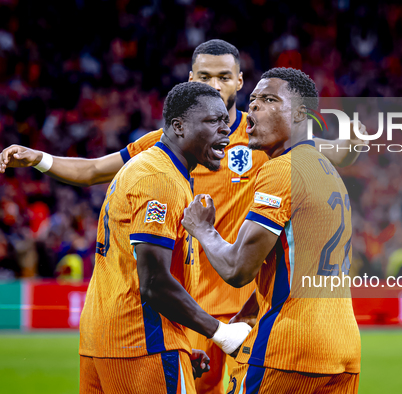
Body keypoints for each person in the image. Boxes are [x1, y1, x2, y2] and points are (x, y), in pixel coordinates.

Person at [0, 39, 365, 394]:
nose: (215, 85)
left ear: (240, 81)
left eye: (224, 77)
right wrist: (41, 159)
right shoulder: (171, 139)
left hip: (245, 305)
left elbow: (333, 151)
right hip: (187, 302)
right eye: (205, 77)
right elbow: (95, 169)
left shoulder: (261, 138)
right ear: (191, 80)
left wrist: (346, 134)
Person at [182, 67, 361, 393]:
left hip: (288, 349)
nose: (254, 107)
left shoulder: (280, 170)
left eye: (268, 99)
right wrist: (248, 310)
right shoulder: (326, 170)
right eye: (252, 99)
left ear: (300, 113)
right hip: (343, 346)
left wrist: (203, 229)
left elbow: (238, 269)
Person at [79, 82, 252, 393]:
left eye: (225, 121)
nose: (225, 131)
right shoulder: (160, 179)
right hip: (143, 344)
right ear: (179, 126)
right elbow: (154, 282)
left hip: (107, 341)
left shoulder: (154, 169)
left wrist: (182, 343)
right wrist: (220, 333)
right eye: (213, 122)